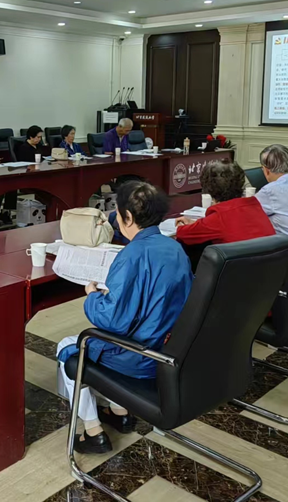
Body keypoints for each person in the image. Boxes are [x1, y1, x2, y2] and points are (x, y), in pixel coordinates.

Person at [56, 181, 192, 454]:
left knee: (67, 347)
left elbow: (112, 321)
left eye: (117, 214)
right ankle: (119, 412)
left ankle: (93, 431)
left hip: (139, 356)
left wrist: (93, 296)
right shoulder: (175, 248)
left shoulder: (132, 255)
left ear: (127, 217)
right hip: (169, 348)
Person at [175, 161, 275, 245]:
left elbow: (182, 233)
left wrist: (183, 226)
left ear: (208, 188)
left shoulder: (219, 217)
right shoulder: (254, 205)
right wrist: (197, 223)